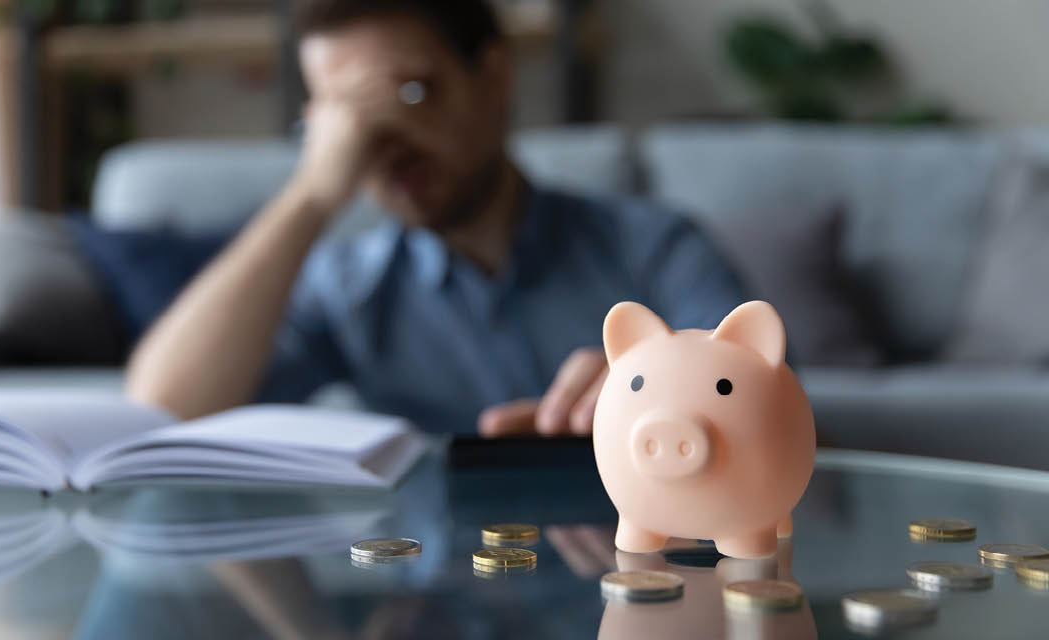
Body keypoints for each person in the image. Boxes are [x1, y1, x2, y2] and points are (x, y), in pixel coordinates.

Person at [125, 0, 746, 437]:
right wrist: (310, 195)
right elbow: (165, 413)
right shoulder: (347, 290)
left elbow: (773, 406)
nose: (386, 139)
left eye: (412, 93)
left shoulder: (655, 246)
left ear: (495, 78)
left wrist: (668, 388)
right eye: (351, 114)